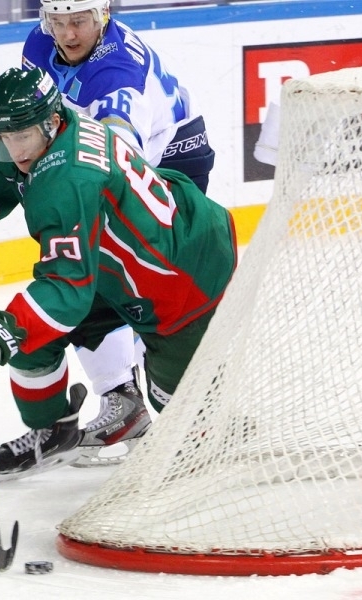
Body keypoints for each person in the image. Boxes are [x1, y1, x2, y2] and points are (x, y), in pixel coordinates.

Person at [0, 67, 236, 479]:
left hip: (185, 275)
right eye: (5, 136)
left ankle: (206, 432)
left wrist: (1, 332)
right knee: (29, 334)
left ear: (50, 123)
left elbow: (67, 291)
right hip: (118, 265)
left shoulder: (65, 180)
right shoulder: (42, 134)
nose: (14, 150)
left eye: (22, 136)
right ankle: (54, 432)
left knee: (188, 421)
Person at [21, 0, 217, 460]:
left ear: (103, 15)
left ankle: (191, 407)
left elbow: (118, 157)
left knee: (139, 286)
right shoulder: (38, 43)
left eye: (80, 21)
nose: (69, 34)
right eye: (58, 22)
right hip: (116, 153)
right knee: (93, 278)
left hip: (170, 160)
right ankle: (123, 401)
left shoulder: (117, 75)